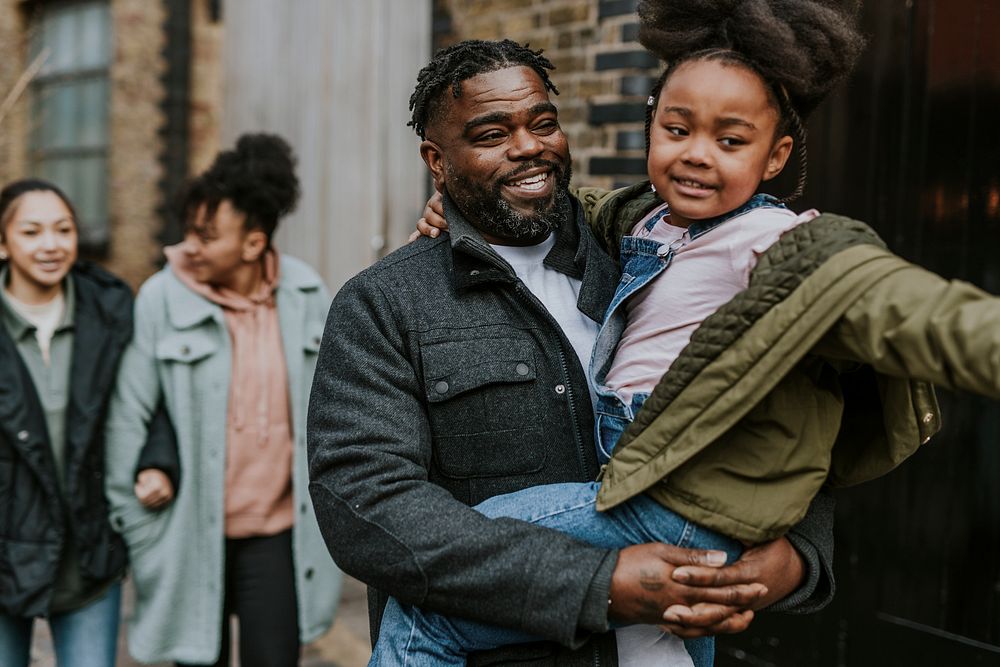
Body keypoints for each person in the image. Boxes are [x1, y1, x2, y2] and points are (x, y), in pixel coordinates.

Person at [388, 0, 1000, 664]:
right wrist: (461, 208)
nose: (696, 156)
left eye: (730, 140)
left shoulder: (774, 243)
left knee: (440, 591)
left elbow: (906, 307)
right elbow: (577, 207)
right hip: (645, 476)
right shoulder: (651, 222)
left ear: (775, 156)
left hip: (674, 495)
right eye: (677, 129)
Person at [307, 39, 837, 667]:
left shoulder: (646, 265)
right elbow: (369, 508)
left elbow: (790, 414)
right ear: (437, 161)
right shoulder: (386, 304)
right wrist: (595, 584)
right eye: (491, 133)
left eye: (543, 123)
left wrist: (798, 556)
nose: (529, 146)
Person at [103, 134, 341, 667]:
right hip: (189, 531)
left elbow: (334, 408)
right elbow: (128, 418)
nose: (190, 245)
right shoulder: (162, 298)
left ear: (254, 244)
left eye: (207, 235)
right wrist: (138, 530)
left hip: (277, 535)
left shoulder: (306, 293)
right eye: (189, 230)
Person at [0, 179, 135, 667]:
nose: (51, 245)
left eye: (64, 229)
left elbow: (145, 400)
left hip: (89, 553)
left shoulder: (112, 309)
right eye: (32, 231)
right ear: (3, 242)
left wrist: (157, 463)